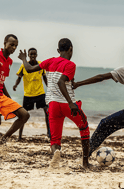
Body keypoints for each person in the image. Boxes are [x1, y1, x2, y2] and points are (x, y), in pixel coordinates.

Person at [18, 38, 90, 168]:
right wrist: (70, 103)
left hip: (52, 105)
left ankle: (56, 154)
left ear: (58, 50)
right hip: (67, 105)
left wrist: (23, 59)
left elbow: (29, 69)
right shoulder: (71, 65)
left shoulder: (50, 61)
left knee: (55, 140)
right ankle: (85, 163)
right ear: (71, 49)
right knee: (84, 128)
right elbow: (61, 82)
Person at [13, 47, 50, 141]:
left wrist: (49, 87)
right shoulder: (24, 66)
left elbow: (44, 77)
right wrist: (15, 85)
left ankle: (49, 133)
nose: (33, 56)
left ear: (36, 55)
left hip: (40, 93)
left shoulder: (41, 65)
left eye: (34, 54)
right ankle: (20, 136)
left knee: (47, 111)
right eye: (31, 54)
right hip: (28, 94)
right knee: (23, 115)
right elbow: (19, 77)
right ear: (28, 56)